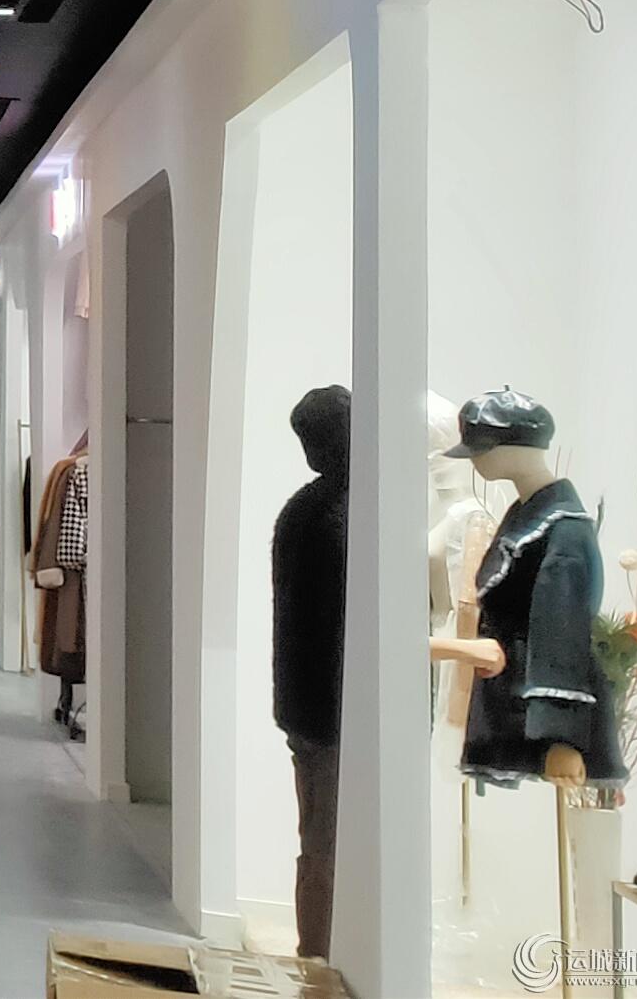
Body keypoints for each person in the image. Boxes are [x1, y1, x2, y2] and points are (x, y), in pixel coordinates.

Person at [274, 384, 350, 960]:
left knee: (320, 840)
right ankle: (319, 963)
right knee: (327, 845)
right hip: (331, 710)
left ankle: (319, 958)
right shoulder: (340, 514)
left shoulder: (303, 508)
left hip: (308, 705)